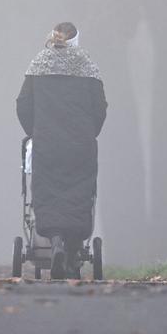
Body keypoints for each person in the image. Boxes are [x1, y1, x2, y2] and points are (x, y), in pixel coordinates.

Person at [16, 21, 107, 279]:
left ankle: (55, 240)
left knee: (48, 192)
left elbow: (23, 103)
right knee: (80, 194)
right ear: (77, 39)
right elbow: (100, 107)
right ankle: (71, 254)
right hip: (80, 146)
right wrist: (90, 132)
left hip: (47, 144)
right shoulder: (87, 65)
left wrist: (35, 131)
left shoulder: (39, 64)